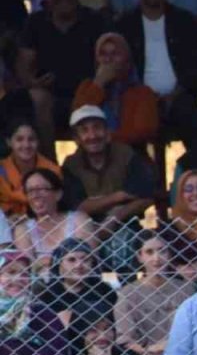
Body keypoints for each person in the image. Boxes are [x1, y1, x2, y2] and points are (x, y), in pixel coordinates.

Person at [16, 0, 108, 155]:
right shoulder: (35, 23)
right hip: (51, 100)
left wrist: (95, 87)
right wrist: (33, 82)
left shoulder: (96, 21)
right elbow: (23, 65)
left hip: (91, 95)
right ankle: (49, 170)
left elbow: (109, 62)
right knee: (38, 99)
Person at [59, 105, 157, 266]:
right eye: (84, 130)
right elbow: (79, 207)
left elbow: (146, 197)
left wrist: (114, 218)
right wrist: (120, 196)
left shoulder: (126, 155)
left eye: (97, 128)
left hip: (125, 224)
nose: (92, 135)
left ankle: (127, 291)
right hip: (84, 228)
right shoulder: (71, 165)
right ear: (76, 138)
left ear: (107, 133)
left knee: (123, 245)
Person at [115, 0, 197, 144]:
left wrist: (174, 94)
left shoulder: (184, 21)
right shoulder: (124, 24)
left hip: (179, 97)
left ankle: (194, 168)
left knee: (189, 114)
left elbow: (193, 67)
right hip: (138, 98)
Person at [115, 232, 193, 355]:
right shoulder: (127, 293)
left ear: (169, 255)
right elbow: (126, 338)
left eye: (162, 251)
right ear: (140, 257)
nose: (157, 258)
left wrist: (168, 346)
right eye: (149, 252)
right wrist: (148, 354)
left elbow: (192, 329)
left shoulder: (185, 289)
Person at [70, 32, 159, 148]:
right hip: (90, 153)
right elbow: (77, 120)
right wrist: (98, 84)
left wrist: (106, 138)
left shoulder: (142, 92)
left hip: (130, 154)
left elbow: (144, 131)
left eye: (115, 54)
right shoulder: (87, 87)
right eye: (103, 54)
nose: (108, 59)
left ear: (127, 59)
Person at [12, 168, 95, 278]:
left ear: (58, 194)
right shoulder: (23, 229)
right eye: (30, 191)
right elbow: (26, 267)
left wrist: (43, 262)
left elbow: (86, 258)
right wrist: (66, 260)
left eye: (41, 189)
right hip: (41, 290)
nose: (35, 195)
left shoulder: (79, 219)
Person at [38, 238, 118, 330]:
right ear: (58, 265)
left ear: (93, 263)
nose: (79, 265)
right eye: (71, 260)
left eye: (85, 259)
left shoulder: (105, 292)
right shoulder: (46, 294)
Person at [0, 121, 59, 219]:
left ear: (38, 142)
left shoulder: (52, 170)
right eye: (19, 139)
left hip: (44, 224)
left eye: (31, 139)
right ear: (9, 142)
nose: (26, 145)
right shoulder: (1, 168)